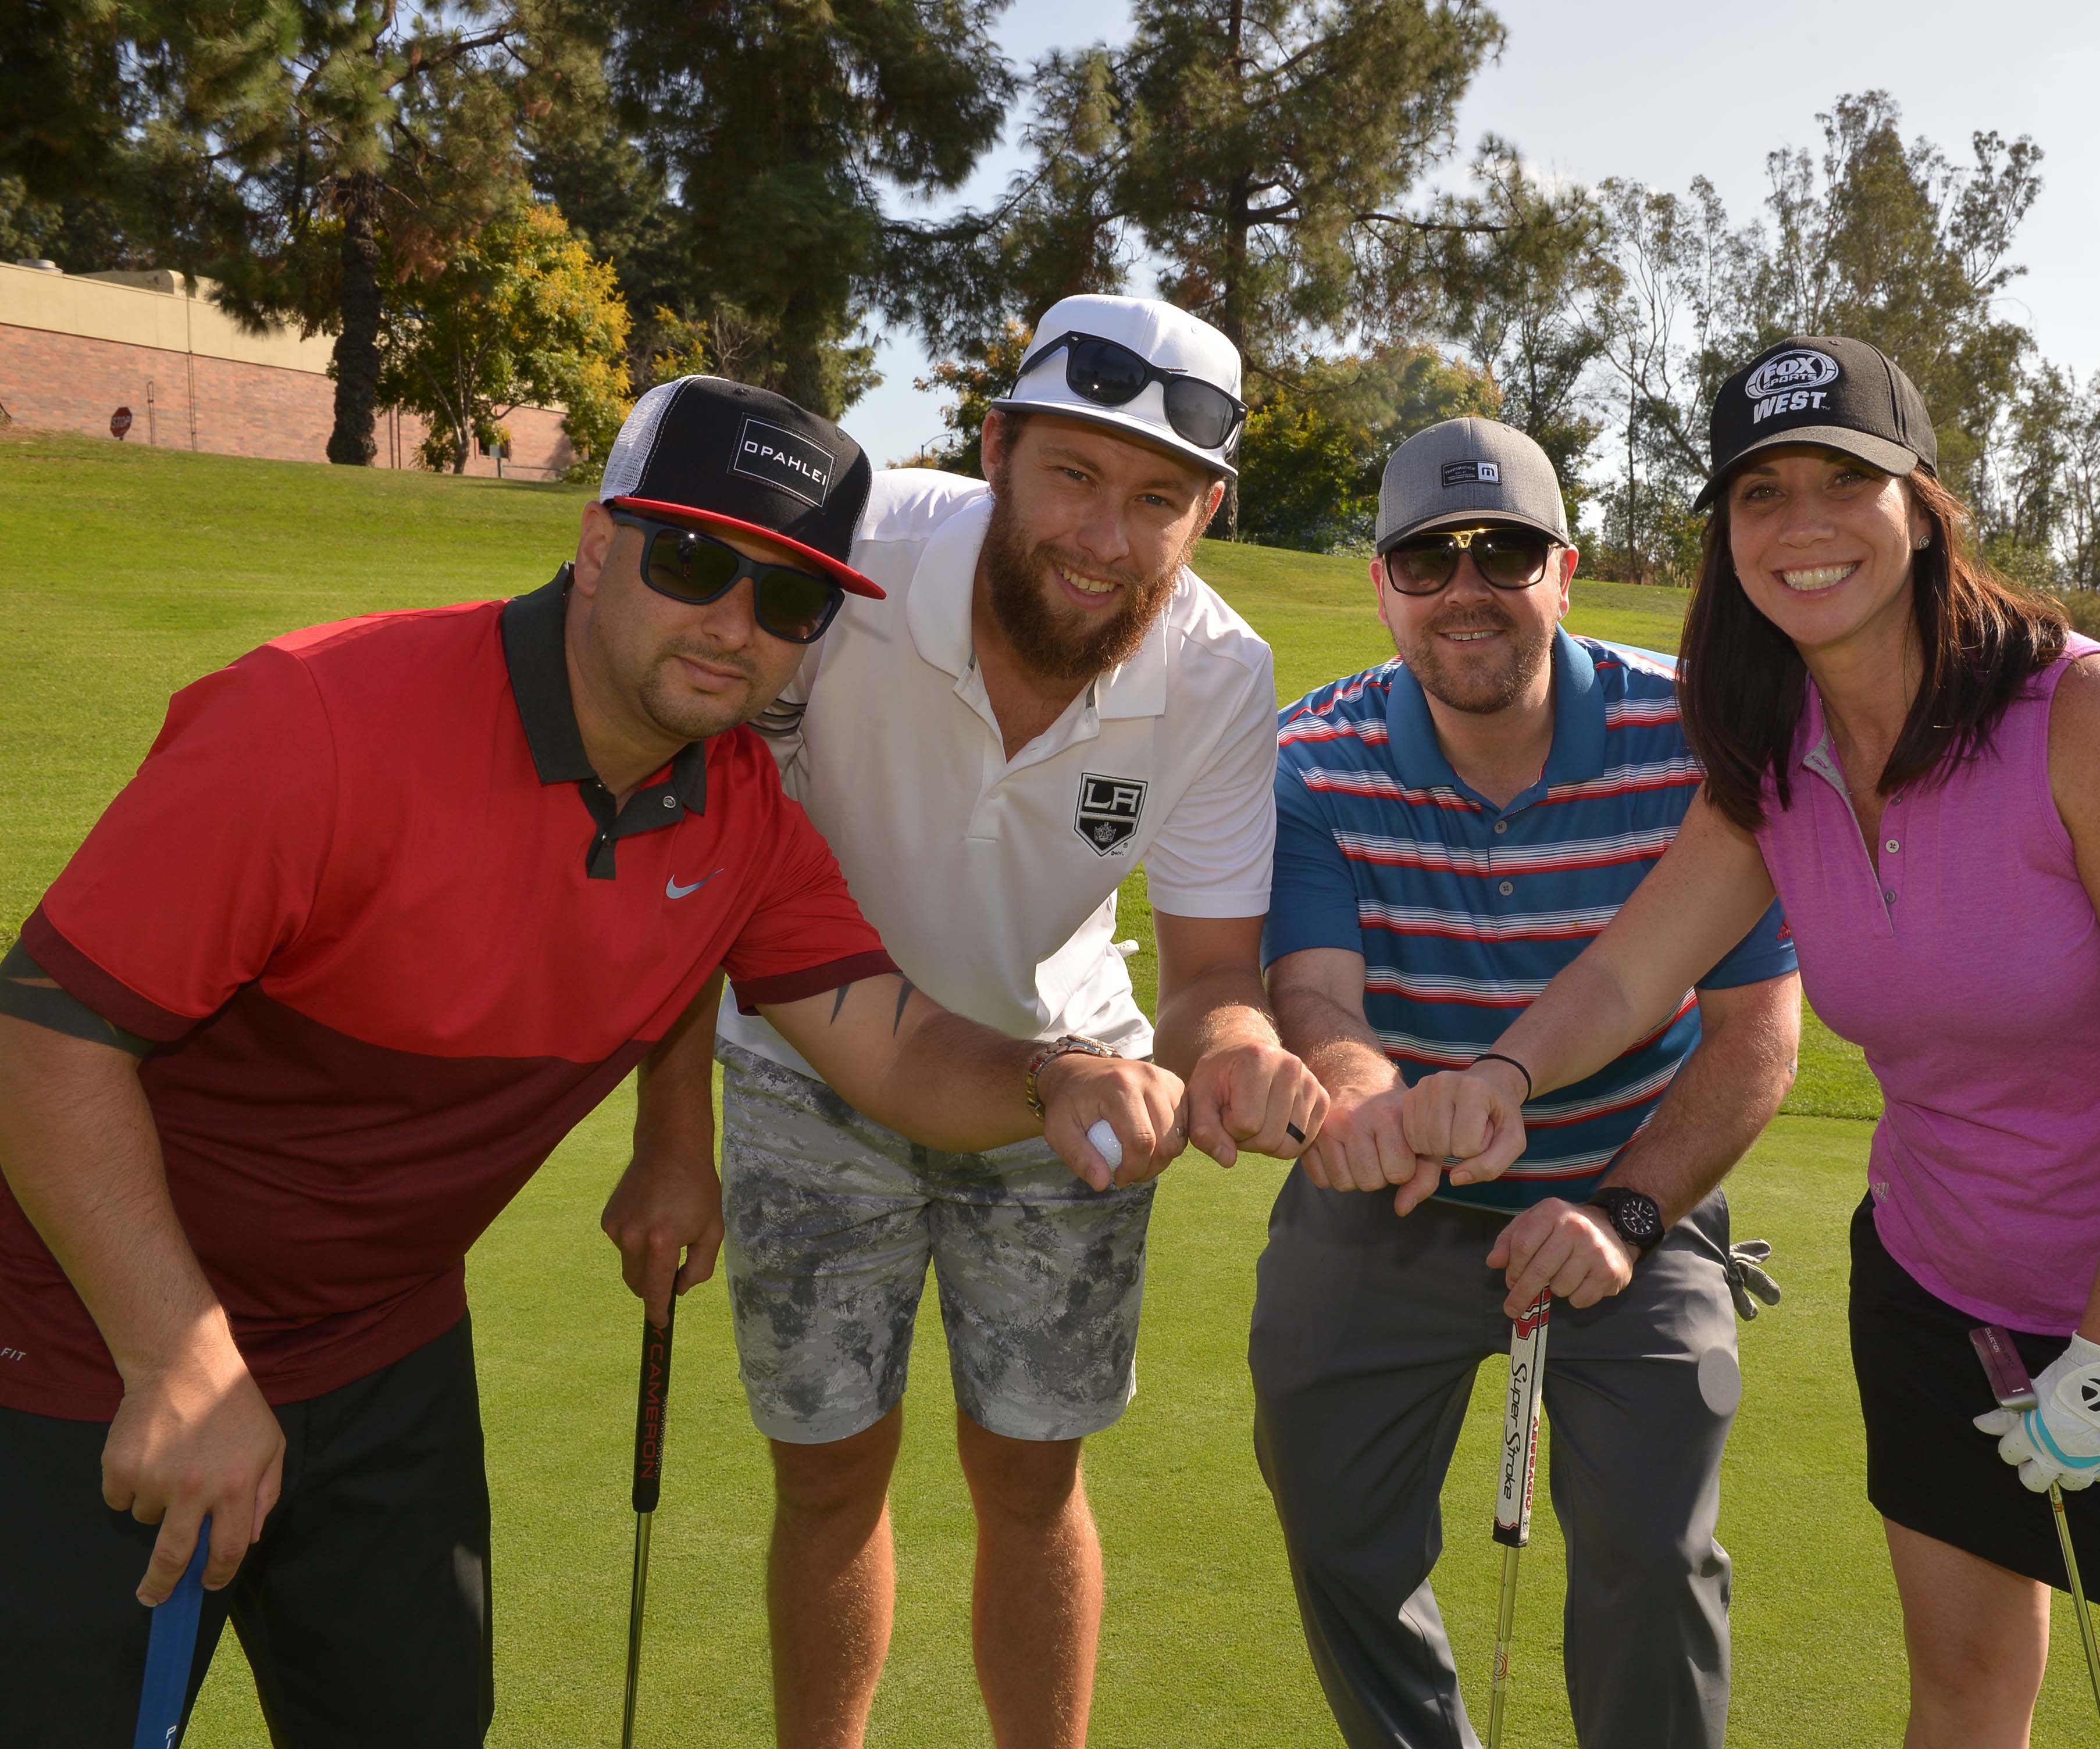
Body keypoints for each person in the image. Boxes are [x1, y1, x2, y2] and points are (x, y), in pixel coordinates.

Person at [0, 376, 1186, 1748]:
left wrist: (1060, 1077)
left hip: (382, 1349)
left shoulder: (739, 813)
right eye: (694, 562)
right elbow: (47, 1036)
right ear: (596, 542)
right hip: (80, 1339)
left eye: (791, 600)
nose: (736, 626)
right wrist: (179, 1359)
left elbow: (901, 1047)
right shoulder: (313, 720)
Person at [1405, 338, 2100, 1749]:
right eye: (1761, 493)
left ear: (1922, 504)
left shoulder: (2084, 717)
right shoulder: (1774, 754)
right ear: (1727, 534)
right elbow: (1638, 965)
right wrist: (1504, 1070)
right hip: (1939, 1292)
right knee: (1960, 1698)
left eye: (1845, 479)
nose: (1803, 523)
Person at [612, 294, 1326, 1749]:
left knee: (1032, 1479)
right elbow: (697, 868)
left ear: (1205, 512)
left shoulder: (1217, 669)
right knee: (824, 1475)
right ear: (996, 447)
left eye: (1160, 500)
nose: (1106, 538)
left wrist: (1237, 1052)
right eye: (1073, 472)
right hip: (804, 1071)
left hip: (1065, 1092)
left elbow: (1204, 976)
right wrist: (672, 1137)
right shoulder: (842, 563)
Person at [1252, 416, 1803, 1749]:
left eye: (1503, 551)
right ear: (1381, 584)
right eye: (1427, 559)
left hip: (1634, 1191)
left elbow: (1752, 1039)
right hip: (1396, 1199)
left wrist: (1623, 1215)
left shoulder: (1696, 738)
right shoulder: (1312, 759)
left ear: (1567, 568)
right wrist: (1375, 1103)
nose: (1467, 588)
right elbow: (1319, 998)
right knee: (1339, 1540)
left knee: (1652, 1561)